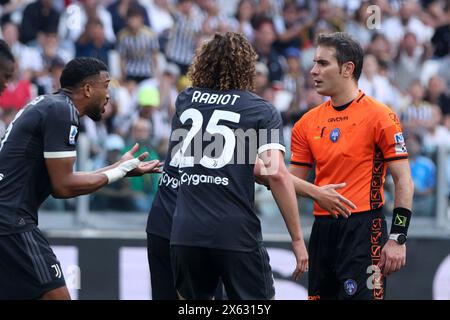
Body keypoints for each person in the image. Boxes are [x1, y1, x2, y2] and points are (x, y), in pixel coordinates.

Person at [146, 37, 357, 300]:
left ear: (202, 64)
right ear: (247, 67)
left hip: (182, 230)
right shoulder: (259, 110)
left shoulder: (186, 100)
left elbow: (247, 166)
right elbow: (274, 172)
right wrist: (297, 239)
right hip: (234, 232)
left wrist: (313, 192)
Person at [0, 57, 161, 300]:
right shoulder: (63, 111)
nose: (109, 95)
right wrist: (118, 171)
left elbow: (65, 178)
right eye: (106, 86)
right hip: (11, 222)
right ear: (87, 89)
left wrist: (120, 167)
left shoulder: (50, 104)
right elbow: (63, 187)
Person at [290, 32, 414, 300]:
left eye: (323, 64)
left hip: (364, 228)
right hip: (322, 229)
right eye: (314, 63)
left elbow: (403, 180)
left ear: (348, 69)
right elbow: (288, 181)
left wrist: (398, 237)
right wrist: (314, 192)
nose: (313, 71)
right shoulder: (306, 123)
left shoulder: (381, 116)